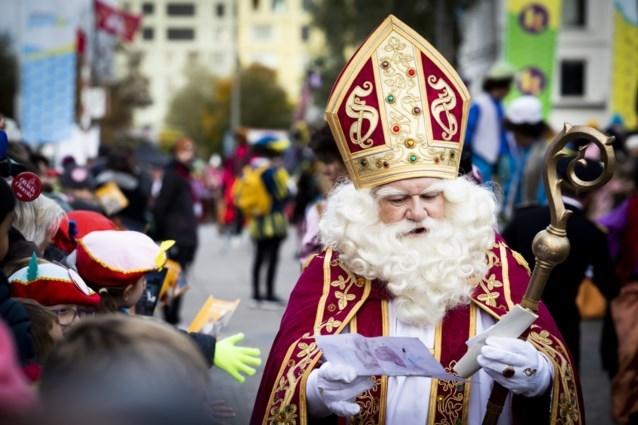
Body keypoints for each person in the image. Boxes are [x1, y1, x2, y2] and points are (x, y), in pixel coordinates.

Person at [251, 15, 582, 425]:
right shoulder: (329, 273)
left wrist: (538, 375)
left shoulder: (496, 265)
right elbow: (287, 380)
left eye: (431, 195)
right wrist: (317, 391)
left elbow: (555, 364)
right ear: (364, 208)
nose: (419, 211)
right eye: (396, 199)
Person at [503, 157, 620, 369]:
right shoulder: (591, 233)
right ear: (591, 193)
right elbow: (610, 287)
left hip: (512, 322)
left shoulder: (522, 220)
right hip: (561, 326)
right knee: (561, 391)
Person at [235, 137, 290, 306]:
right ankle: (269, 293)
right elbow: (282, 194)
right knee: (272, 258)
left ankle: (256, 294)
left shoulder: (250, 169)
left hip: (257, 221)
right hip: (273, 220)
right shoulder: (272, 171)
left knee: (258, 258)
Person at [153, 138, 199, 325]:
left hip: (185, 235)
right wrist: (162, 236)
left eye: (190, 150)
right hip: (175, 236)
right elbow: (161, 206)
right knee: (171, 276)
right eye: (184, 150)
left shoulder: (184, 173)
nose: (189, 153)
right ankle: (170, 316)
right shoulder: (173, 174)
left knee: (179, 277)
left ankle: (173, 315)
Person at [499, 95, 551, 220]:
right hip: (511, 217)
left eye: (517, 132)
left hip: (532, 219)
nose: (514, 136)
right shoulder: (514, 151)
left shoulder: (544, 154)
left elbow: (544, 197)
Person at [465, 61, 514, 183]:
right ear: (501, 87)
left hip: (496, 156)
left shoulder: (500, 105)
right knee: (482, 188)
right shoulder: (480, 104)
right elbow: (468, 131)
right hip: (480, 155)